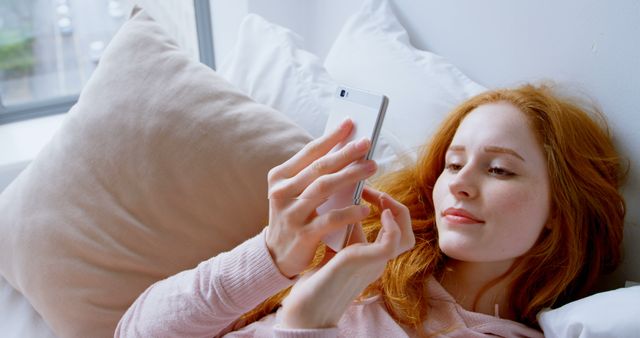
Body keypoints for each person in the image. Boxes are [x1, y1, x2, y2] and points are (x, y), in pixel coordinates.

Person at [115, 83, 626, 337]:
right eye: (452, 164)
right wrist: (271, 258)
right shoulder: (365, 258)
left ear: (561, 208)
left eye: (499, 170)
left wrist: (307, 315)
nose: (460, 186)